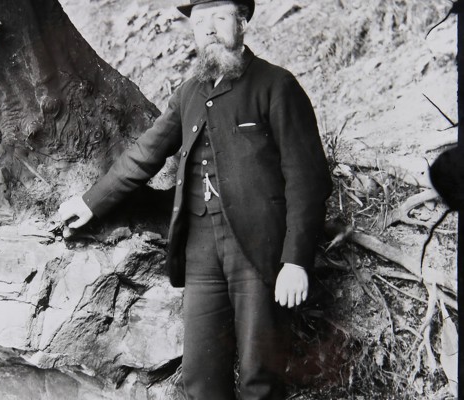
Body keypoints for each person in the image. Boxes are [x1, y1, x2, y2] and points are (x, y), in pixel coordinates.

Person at [58, 0, 333, 398]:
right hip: (201, 248)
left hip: (260, 249)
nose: (208, 29)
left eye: (219, 18)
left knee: (261, 377)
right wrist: (90, 203)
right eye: (199, 21)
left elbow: (307, 181)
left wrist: (295, 259)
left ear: (242, 22)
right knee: (201, 377)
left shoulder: (277, 85)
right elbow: (145, 153)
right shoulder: (188, 93)